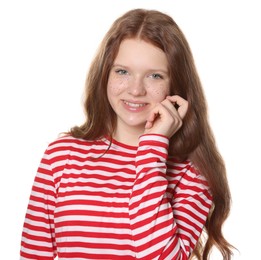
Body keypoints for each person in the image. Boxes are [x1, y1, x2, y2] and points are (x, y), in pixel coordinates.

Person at [20, 8, 234, 260]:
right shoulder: (61, 156)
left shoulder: (191, 172)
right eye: (122, 71)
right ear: (105, 74)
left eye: (155, 76)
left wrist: (153, 145)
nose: (135, 90)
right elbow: (33, 255)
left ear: (175, 86)